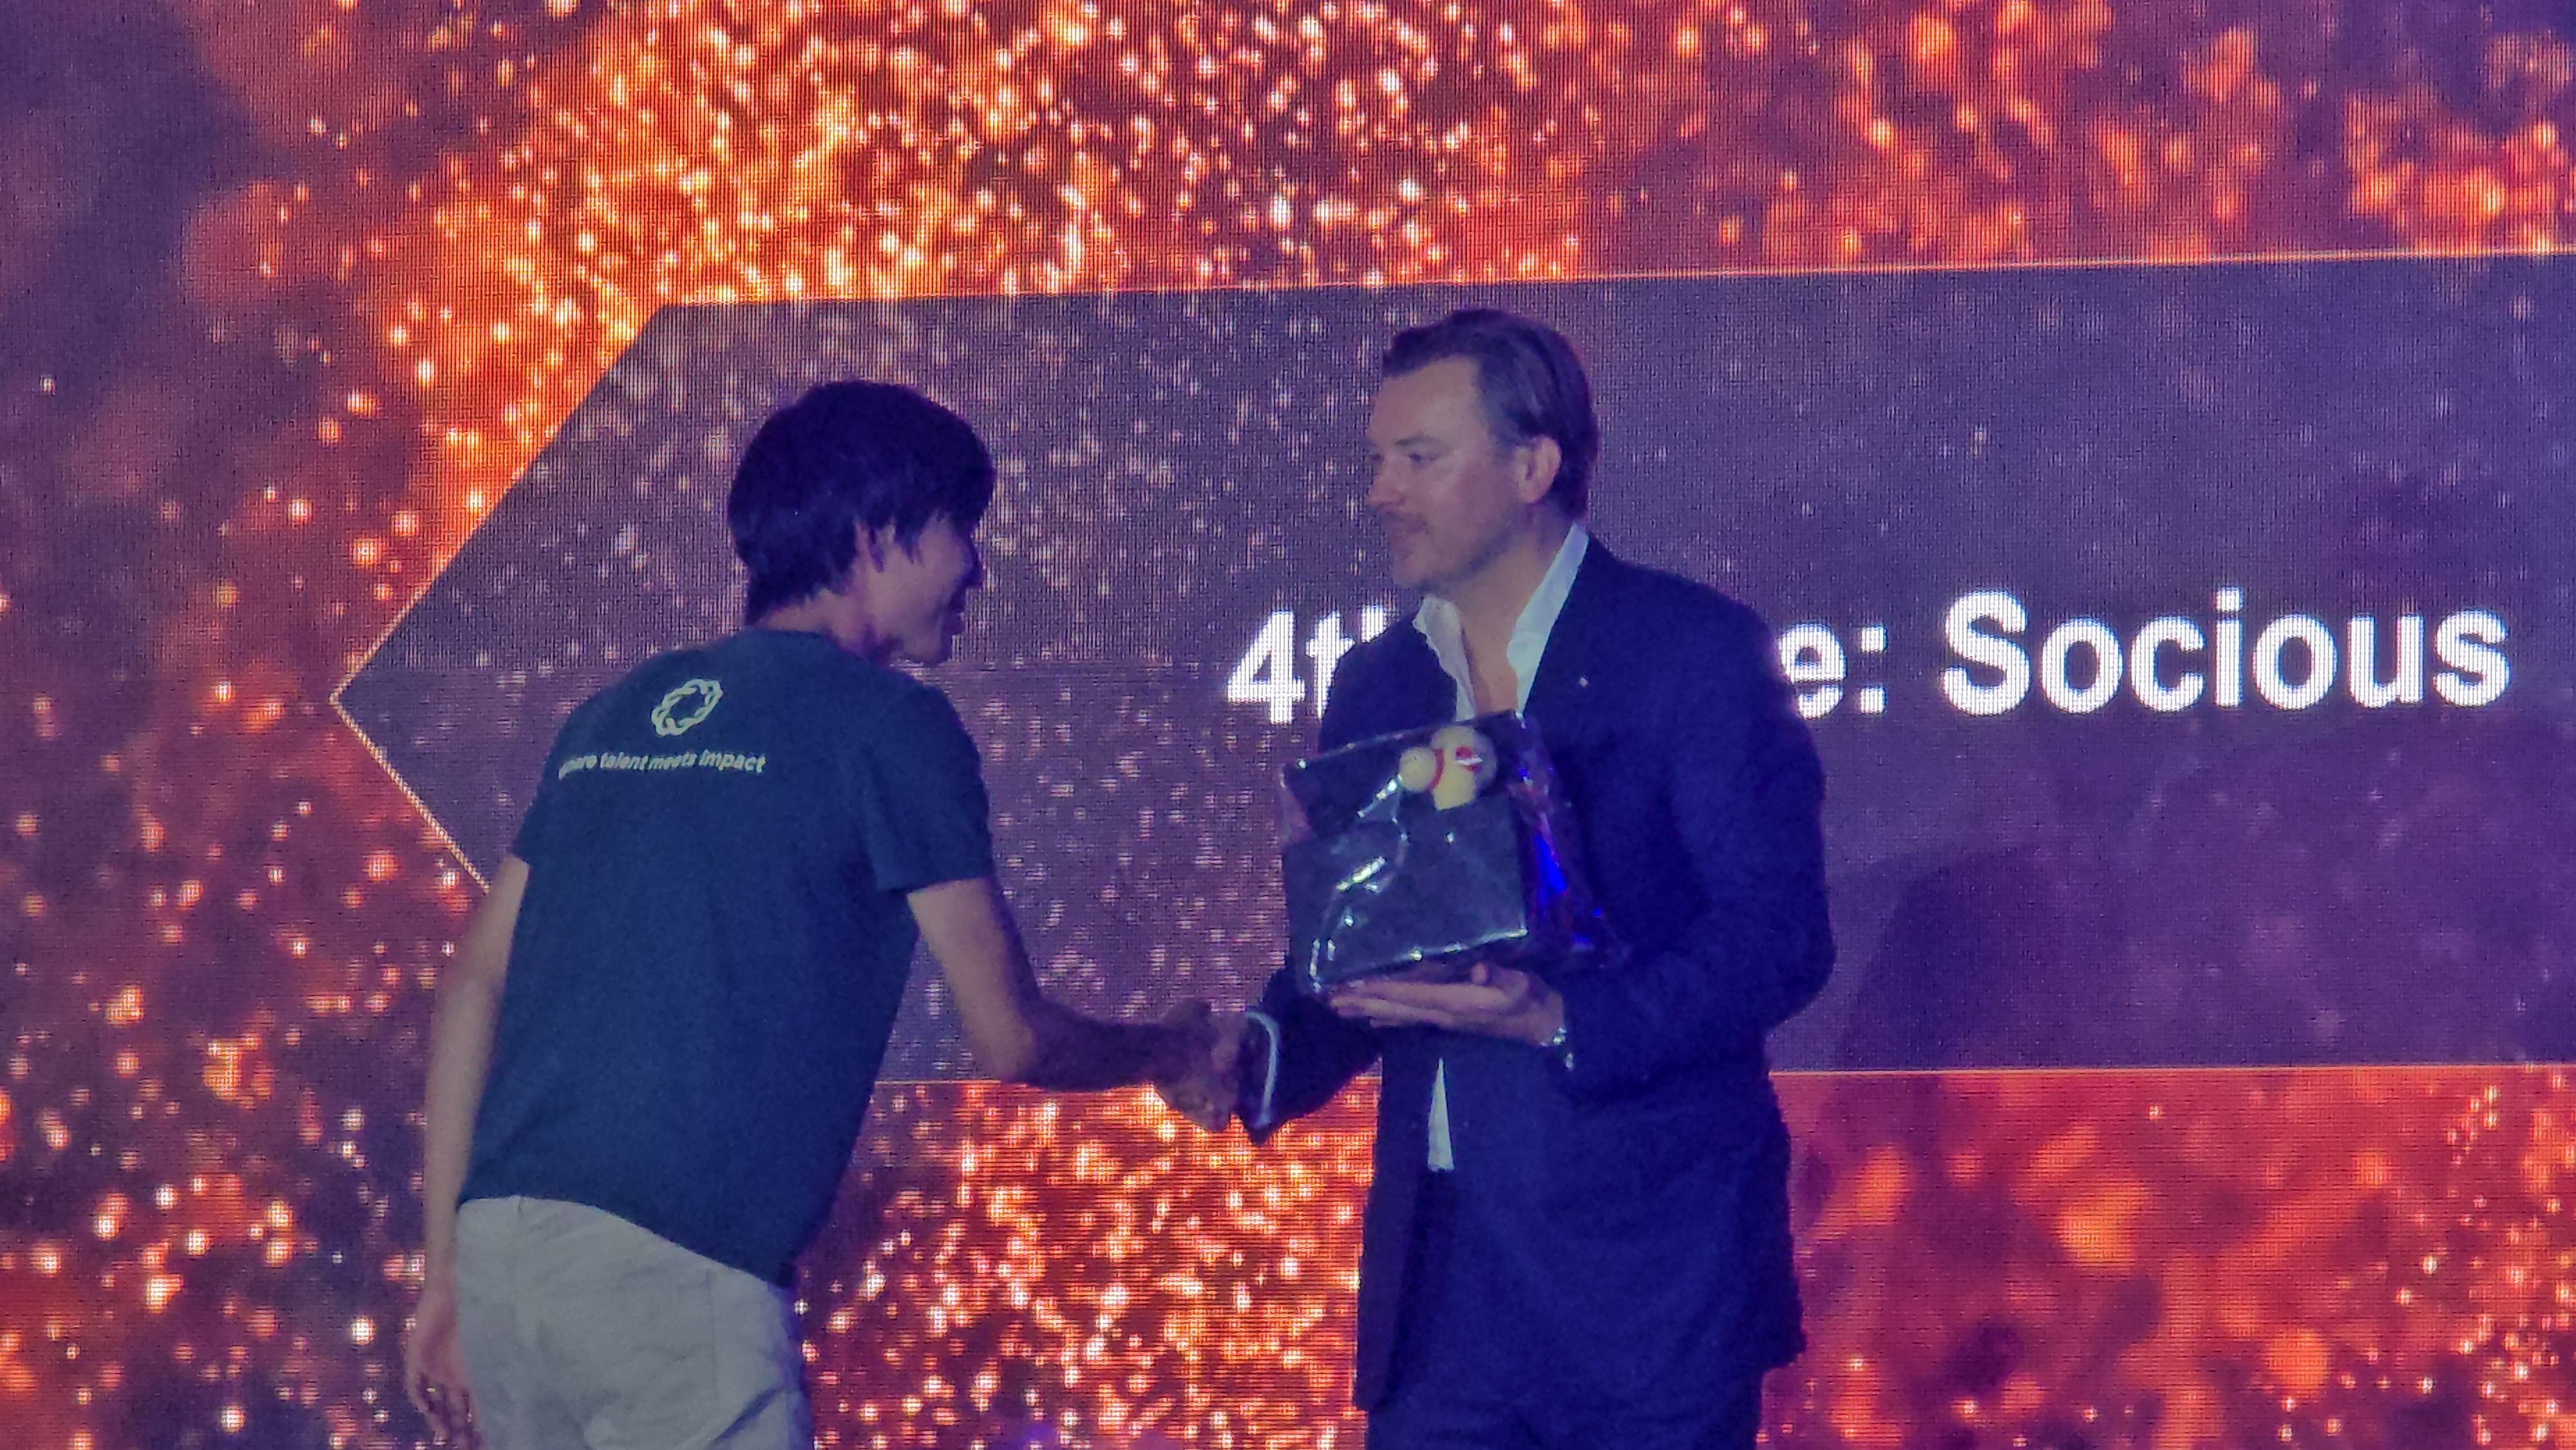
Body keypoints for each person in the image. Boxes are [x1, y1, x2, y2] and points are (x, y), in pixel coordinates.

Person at [402, 381, 1218, 1449]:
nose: (976, 567)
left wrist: (447, 1273)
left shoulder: (616, 713)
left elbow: (473, 978)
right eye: (959, 529)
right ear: (876, 537)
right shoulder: (892, 726)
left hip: (506, 1263)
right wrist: (1171, 1050)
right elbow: (1011, 1036)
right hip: (671, 1282)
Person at [1170, 309, 1834, 1448]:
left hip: (1648, 1278)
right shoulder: (1377, 683)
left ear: (1534, 468)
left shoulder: (1691, 651)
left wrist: (1560, 1020)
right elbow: (1371, 955)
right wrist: (1257, 1054)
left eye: (1417, 458)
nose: (1381, 491)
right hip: (1440, 1289)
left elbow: (1778, 937)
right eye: (1378, 459)